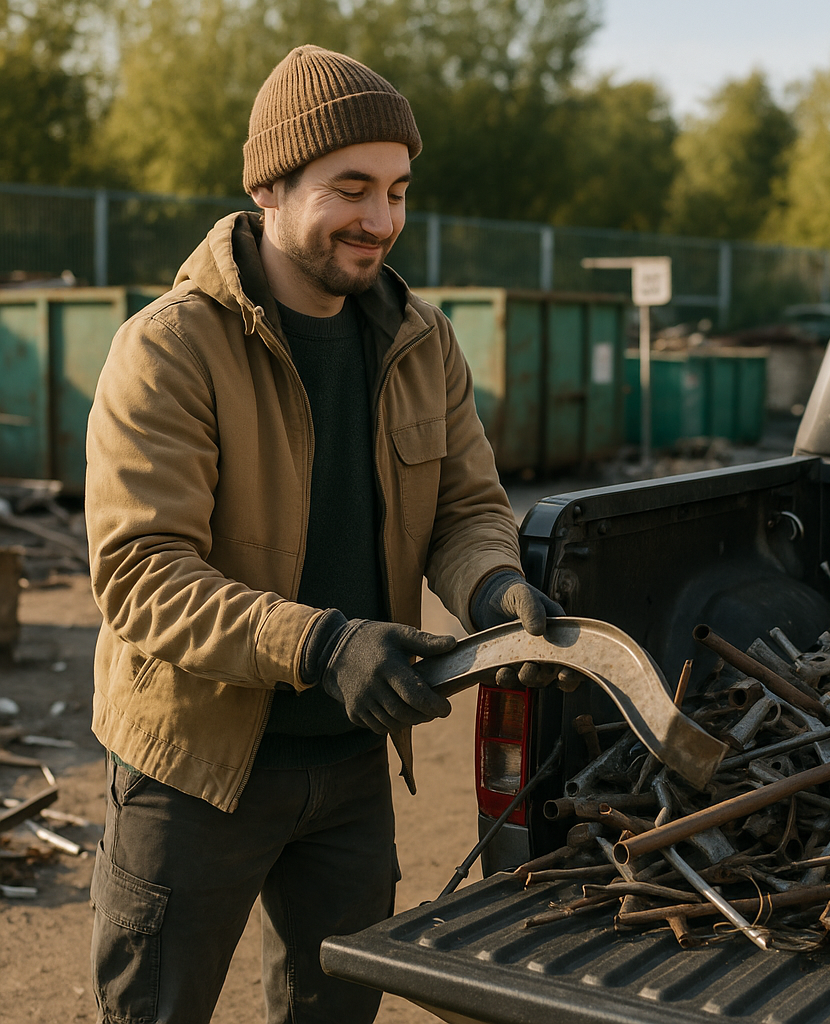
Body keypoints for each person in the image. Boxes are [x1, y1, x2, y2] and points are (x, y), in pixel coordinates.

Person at [85, 45, 563, 1024]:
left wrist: (494, 592)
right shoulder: (169, 348)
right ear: (268, 184)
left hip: (349, 768)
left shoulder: (420, 339)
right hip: (195, 766)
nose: (381, 221)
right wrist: (321, 643)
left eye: (396, 190)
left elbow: (468, 510)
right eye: (350, 188)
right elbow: (141, 573)